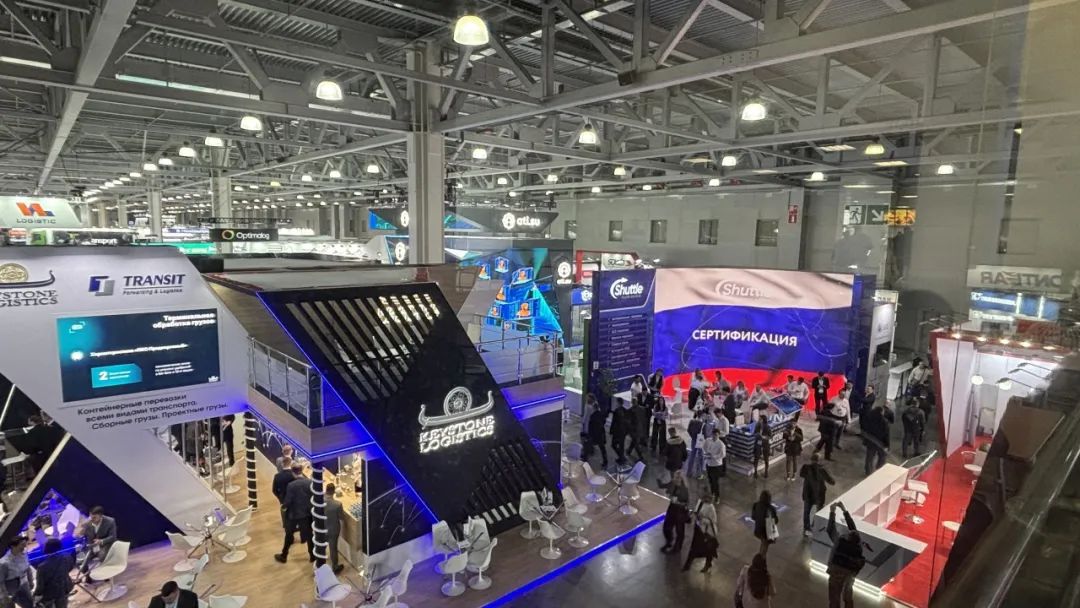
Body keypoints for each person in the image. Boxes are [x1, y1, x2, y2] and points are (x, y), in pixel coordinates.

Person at [827, 502, 866, 608]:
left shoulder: (840, 542)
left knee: (834, 598)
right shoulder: (858, 545)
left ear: (847, 537)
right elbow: (853, 528)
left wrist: (832, 512)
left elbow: (830, 530)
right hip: (850, 574)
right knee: (848, 596)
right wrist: (844, 510)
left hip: (836, 572)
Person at [275, 462, 315, 563]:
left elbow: (288, 501)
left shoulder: (291, 485)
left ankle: (284, 555)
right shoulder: (309, 482)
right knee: (309, 535)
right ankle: (312, 556)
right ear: (301, 471)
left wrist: (284, 507)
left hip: (294, 514)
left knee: (289, 534)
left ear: (293, 473)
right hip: (306, 513)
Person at [800, 453, 835, 537]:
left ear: (811, 460)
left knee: (806, 512)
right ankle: (815, 525)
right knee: (819, 511)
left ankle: (807, 528)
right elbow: (832, 482)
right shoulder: (822, 470)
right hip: (819, 495)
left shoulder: (806, 468)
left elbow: (801, 474)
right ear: (819, 461)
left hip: (808, 494)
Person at [34, 538, 74, 608]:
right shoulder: (67, 557)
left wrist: (36, 595)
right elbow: (70, 568)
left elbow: (40, 586)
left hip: (50, 594)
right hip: (65, 587)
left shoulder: (42, 567)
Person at [860, 400, 894, 476]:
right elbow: (886, 435)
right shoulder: (884, 422)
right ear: (881, 412)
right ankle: (879, 470)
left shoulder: (869, 418)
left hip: (870, 441)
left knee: (869, 457)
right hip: (880, 443)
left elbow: (864, 427)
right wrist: (887, 445)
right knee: (882, 456)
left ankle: (868, 472)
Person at [682, 501, 718, 573]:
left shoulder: (711, 507)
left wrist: (702, 519)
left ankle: (707, 564)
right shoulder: (700, 502)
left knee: (708, 550)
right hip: (699, 529)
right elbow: (696, 512)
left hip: (706, 532)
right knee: (694, 548)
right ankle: (687, 565)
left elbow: (713, 521)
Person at [79, 506, 117, 573]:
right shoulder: (88, 523)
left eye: (94, 517)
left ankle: (107, 574)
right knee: (80, 560)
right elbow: (82, 536)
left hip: (104, 546)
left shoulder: (110, 521)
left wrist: (101, 541)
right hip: (92, 547)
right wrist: (82, 530)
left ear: (101, 516)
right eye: (91, 517)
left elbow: (113, 536)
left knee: (103, 556)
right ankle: (87, 576)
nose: (92, 519)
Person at [660, 470, 690, 554]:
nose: (676, 479)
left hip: (680, 510)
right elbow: (663, 487)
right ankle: (669, 542)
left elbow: (685, 501)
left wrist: (677, 500)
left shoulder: (684, 489)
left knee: (679, 531)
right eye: (675, 477)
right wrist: (660, 479)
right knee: (666, 527)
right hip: (672, 507)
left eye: (678, 478)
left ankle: (677, 548)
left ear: (682, 479)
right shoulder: (673, 484)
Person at [0, 537, 33, 608]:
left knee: (30, 604)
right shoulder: (4, 563)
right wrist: (4, 596)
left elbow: (28, 568)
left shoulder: (24, 555)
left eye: (25, 544)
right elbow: (1, 581)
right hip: (11, 587)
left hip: (24, 584)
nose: (24, 547)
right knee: (9, 605)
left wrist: (31, 581)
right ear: (13, 546)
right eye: (22, 545)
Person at [272, 456, 297, 534]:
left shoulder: (277, 476)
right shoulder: (294, 475)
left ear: (282, 464)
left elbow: (274, 490)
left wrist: (280, 498)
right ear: (291, 463)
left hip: (283, 499)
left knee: (284, 512)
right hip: (294, 499)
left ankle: (286, 526)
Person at [582, 398, 609, 468]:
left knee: (587, 445)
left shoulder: (593, 416)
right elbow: (604, 422)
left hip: (594, 435)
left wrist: (588, 434)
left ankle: (585, 458)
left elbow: (591, 426)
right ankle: (605, 461)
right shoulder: (601, 415)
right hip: (601, 434)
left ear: (594, 408)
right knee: (602, 449)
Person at [702, 428, 726, 502]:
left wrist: (714, 456)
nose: (714, 436)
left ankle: (717, 496)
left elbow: (723, 455)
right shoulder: (708, 440)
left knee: (715, 481)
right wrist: (706, 453)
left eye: (716, 435)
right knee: (710, 480)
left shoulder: (721, 444)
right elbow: (703, 447)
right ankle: (712, 493)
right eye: (713, 435)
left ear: (718, 435)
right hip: (709, 464)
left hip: (716, 465)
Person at [751, 490, 778, 557]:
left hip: (758, 529)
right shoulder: (770, 509)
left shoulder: (756, 505)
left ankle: (761, 555)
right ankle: (762, 557)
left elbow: (753, 517)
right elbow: (775, 521)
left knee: (763, 542)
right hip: (766, 531)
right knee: (765, 545)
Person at [325, 483, 344, 574]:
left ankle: (320, 563)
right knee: (333, 548)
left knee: (321, 546)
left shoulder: (319, 501)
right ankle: (335, 566)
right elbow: (341, 518)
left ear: (326, 490)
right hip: (333, 529)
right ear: (334, 492)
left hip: (322, 527)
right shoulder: (337, 504)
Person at [609, 398, 632, 466]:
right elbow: (628, 421)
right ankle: (621, 458)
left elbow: (614, 422)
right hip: (623, 431)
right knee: (621, 445)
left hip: (617, 431)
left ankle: (621, 457)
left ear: (618, 403)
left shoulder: (616, 411)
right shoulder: (625, 410)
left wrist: (611, 431)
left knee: (614, 444)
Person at [629, 397, 650, 462]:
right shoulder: (642, 409)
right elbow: (644, 419)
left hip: (635, 430)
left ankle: (640, 456)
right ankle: (629, 450)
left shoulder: (631, 410)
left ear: (632, 402)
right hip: (641, 428)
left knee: (636, 443)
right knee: (634, 441)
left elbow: (630, 421)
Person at [686, 411, 705, 479]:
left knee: (692, 456)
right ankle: (699, 473)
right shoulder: (702, 423)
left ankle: (689, 472)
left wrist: (692, 436)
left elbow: (688, 430)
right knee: (700, 457)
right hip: (700, 441)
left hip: (694, 440)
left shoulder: (692, 421)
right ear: (702, 415)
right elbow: (705, 433)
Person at [752, 414, 771, 479]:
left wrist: (764, 437)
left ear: (762, 420)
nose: (758, 420)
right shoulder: (757, 425)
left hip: (765, 444)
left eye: (760, 419)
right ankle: (755, 472)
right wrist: (757, 435)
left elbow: (770, 436)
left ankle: (766, 472)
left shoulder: (767, 427)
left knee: (766, 458)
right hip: (758, 444)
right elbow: (754, 433)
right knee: (756, 458)